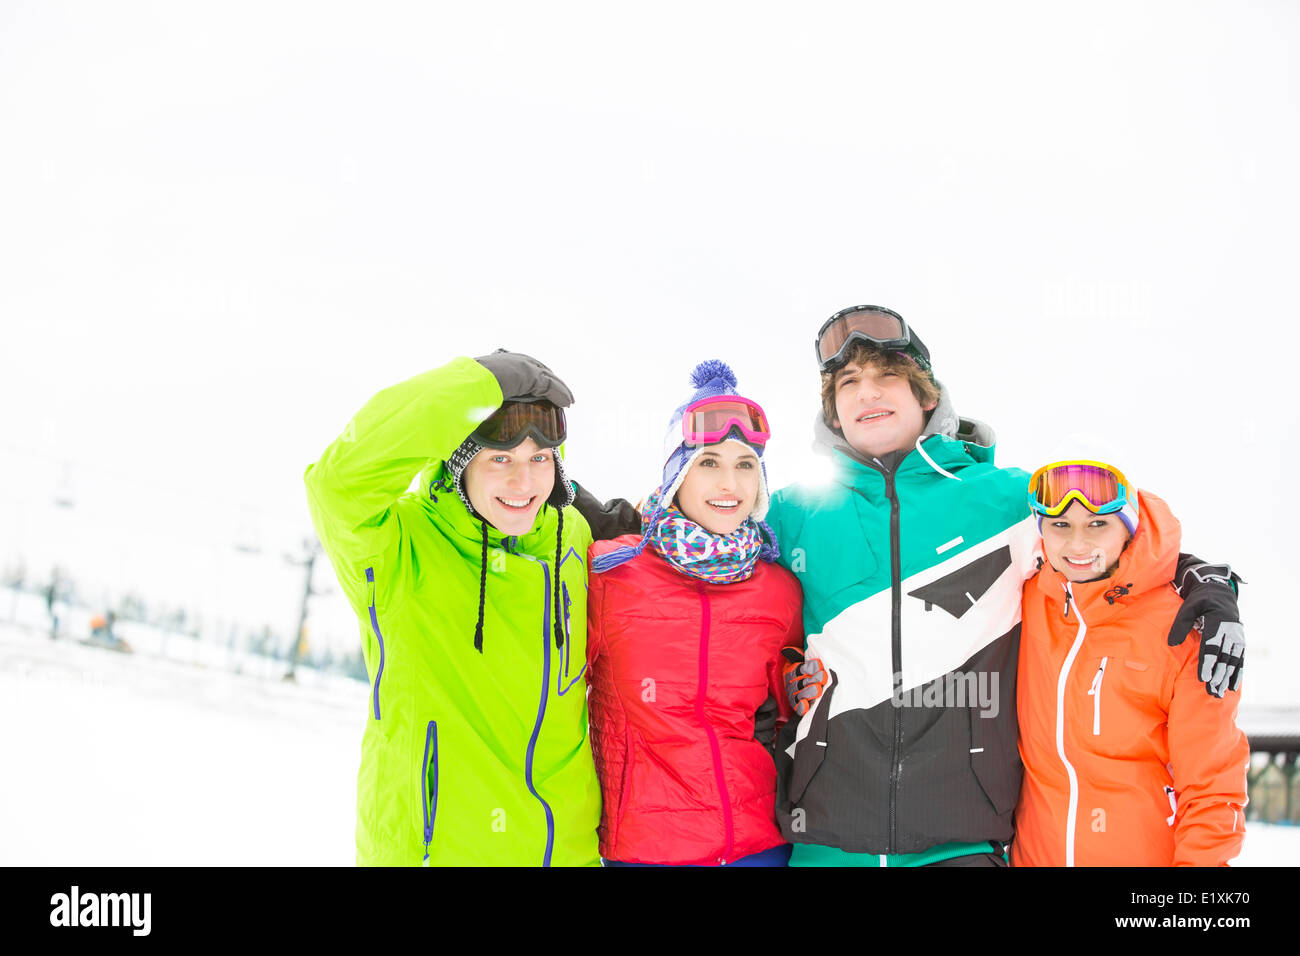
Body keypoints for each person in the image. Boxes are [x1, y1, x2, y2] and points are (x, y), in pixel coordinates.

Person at [768, 305, 1245, 867]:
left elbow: (1100, 535)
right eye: (849, 383)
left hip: (963, 841)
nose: (867, 394)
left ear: (926, 395)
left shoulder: (1002, 501)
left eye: (886, 376)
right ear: (832, 411)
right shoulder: (793, 514)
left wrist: (1204, 580)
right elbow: (718, 577)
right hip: (827, 834)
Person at [304, 351, 601, 866]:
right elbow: (337, 483)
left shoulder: (572, 539)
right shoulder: (399, 545)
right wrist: (472, 385)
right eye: (500, 459)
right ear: (459, 464)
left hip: (564, 853)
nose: (523, 484)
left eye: (539, 459)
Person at [585, 360, 803, 866]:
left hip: (760, 845)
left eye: (745, 465)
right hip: (645, 848)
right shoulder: (611, 574)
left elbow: (788, 709)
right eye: (708, 463)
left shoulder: (779, 590)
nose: (729, 483)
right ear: (676, 476)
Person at [1012, 460, 1247, 865]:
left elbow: (1212, 791)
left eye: (1098, 524)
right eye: (1061, 525)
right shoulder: (1024, 601)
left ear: (1130, 527)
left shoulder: (1183, 628)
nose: (1078, 545)